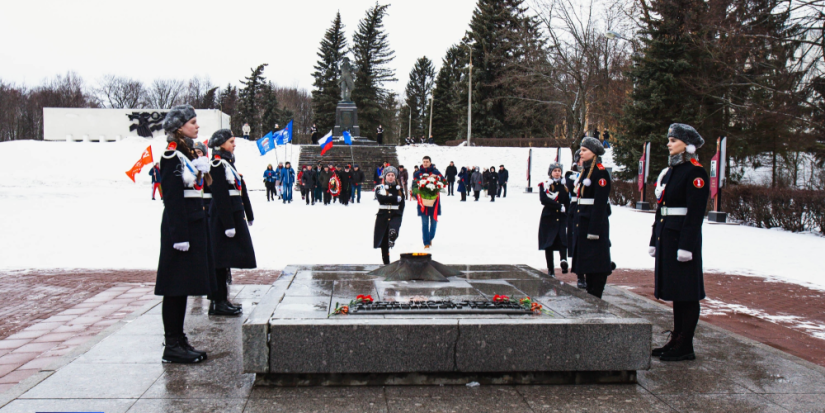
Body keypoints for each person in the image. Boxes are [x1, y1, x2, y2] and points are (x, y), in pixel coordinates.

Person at [155, 104, 213, 363]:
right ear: (179, 127)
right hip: (180, 229)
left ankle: (178, 339)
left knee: (183, 286)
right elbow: (173, 198)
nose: (196, 126)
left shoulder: (186, 153)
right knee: (175, 287)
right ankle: (172, 344)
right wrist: (179, 235)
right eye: (192, 122)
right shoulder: (171, 155)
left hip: (191, 225)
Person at [649, 123, 710, 362]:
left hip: (683, 240)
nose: (669, 143)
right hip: (669, 235)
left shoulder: (695, 172)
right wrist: (655, 238)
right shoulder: (673, 170)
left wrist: (686, 246)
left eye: (673, 140)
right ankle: (677, 338)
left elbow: (695, 214)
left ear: (687, 144)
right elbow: (662, 208)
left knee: (688, 292)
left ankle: (686, 344)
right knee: (677, 291)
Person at [208, 129, 256, 317]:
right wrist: (228, 224)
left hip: (231, 216)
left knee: (225, 260)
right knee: (220, 261)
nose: (234, 144)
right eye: (231, 141)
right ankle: (218, 301)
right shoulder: (218, 164)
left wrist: (247, 214)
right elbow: (220, 196)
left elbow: (240, 191)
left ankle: (222, 300)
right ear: (221, 144)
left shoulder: (227, 163)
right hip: (223, 219)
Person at [571, 137, 612, 299]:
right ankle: (590, 289)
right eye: (581, 149)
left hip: (593, 224)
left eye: (584, 150)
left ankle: (596, 292)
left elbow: (600, 204)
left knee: (596, 261)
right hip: (584, 222)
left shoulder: (600, 173)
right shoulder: (586, 171)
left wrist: (594, 229)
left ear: (594, 153)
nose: (581, 153)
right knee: (587, 262)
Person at [537, 163, 570, 277]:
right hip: (549, 217)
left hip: (561, 217)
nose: (557, 172)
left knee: (562, 240)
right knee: (549, 244)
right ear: (550, 172)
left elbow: (568, 201)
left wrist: (567, 211)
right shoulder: (545, 185)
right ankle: (550, 269)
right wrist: (558, 206)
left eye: (559, 170)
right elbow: (543, 199)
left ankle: (563, 260)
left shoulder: (565, 186)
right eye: (555, 170)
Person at [374, 166, 405, 264]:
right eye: (388, 175)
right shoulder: (380, 188)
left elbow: (402, 204)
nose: (390, 177)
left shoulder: (399, 189)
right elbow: (381, 199)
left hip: (395, 214)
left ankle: (392, 236)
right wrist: (395, 199)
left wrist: (400, 214)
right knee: (383, 242)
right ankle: (386, 262)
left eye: (392, 175)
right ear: (385, 177)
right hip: (382, 215)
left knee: (393, 229)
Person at [566, 150, 586, 289]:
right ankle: (580, 275)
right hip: (575, 211)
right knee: (577, 245)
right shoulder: (572, 176)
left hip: (588, 212)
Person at [413, 156, 443, 249]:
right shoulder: (418, 173)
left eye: (427, 161)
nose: (425, 163)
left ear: (430, 162)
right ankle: (426, 242)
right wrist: (416, 196)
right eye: (424, 161)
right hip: (423, 203)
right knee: (425, 223)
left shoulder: (436, 172)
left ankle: (430, 237)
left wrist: (438, 179)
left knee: (434, 223)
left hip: (434, 202)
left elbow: (444, 182)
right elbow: (414, 185)